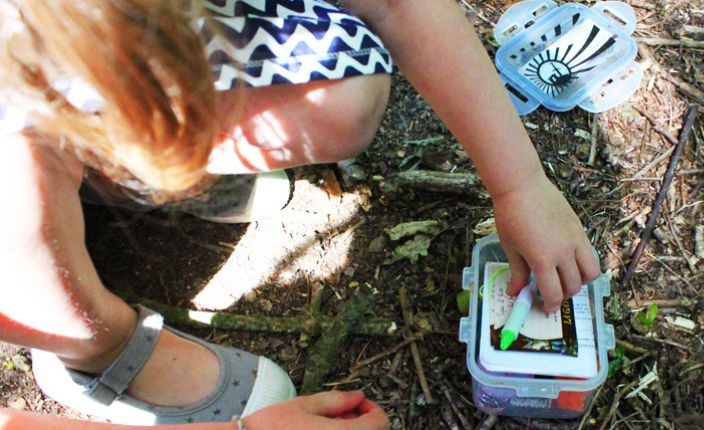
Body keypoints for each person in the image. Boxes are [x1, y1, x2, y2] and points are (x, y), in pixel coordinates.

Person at [0, 0, 602, 429]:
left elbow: (396, 4)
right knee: (19, 209)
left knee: (342, 98)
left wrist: (521, 184)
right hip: (22, 114)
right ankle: (92, 348)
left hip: (121, 48)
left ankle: (117, 167)